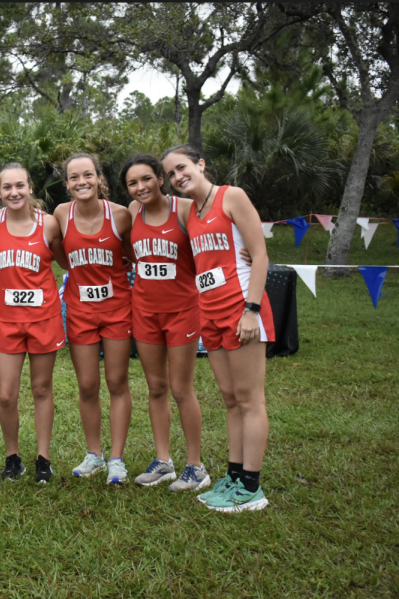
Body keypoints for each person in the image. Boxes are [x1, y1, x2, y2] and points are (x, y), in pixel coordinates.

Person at [161, 144, 275, 512]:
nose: (178, 177)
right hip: (209, 312)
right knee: (229, 398)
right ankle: (235, 475)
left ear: (200, 164)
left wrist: (252, 310)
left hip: (241, 308)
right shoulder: (191, 213)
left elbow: (260, 255)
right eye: (171, 174)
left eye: (182, 168)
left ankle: (252, 487)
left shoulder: (232, 196)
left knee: (249, 398)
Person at [122, 153, 208, 491]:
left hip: (183, 310)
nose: (140, 187)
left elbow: (216, 239)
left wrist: (243, 250)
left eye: (146, 179)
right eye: (132, 183)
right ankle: (163, 461)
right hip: (144, 311)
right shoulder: (132, 213)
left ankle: (196, 466)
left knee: (180, 388)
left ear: (160, 178)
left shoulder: (185, 210)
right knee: (156, 387)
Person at [53, 154, 134, 485]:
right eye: (74, 177)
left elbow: (135, 252)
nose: (81, 182)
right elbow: (60, 254)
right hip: (80, 311)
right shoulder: (61, 214)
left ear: (99, 178)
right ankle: (93, 455)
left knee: (116, 382)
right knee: (87, 385)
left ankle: (116, 458)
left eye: (88, 175)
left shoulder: (121, 215)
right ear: (67, 183)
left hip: (116, 309)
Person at [0, 162, 67, 484]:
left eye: (20, 185)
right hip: (7, 321)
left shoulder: (48, 225)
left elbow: (67, 260)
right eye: (7, 187)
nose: (14, 192)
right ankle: (12, 457)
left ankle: (43, 459)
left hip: (43, 318)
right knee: (6, 394)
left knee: (41, 388)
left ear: (30, 187)